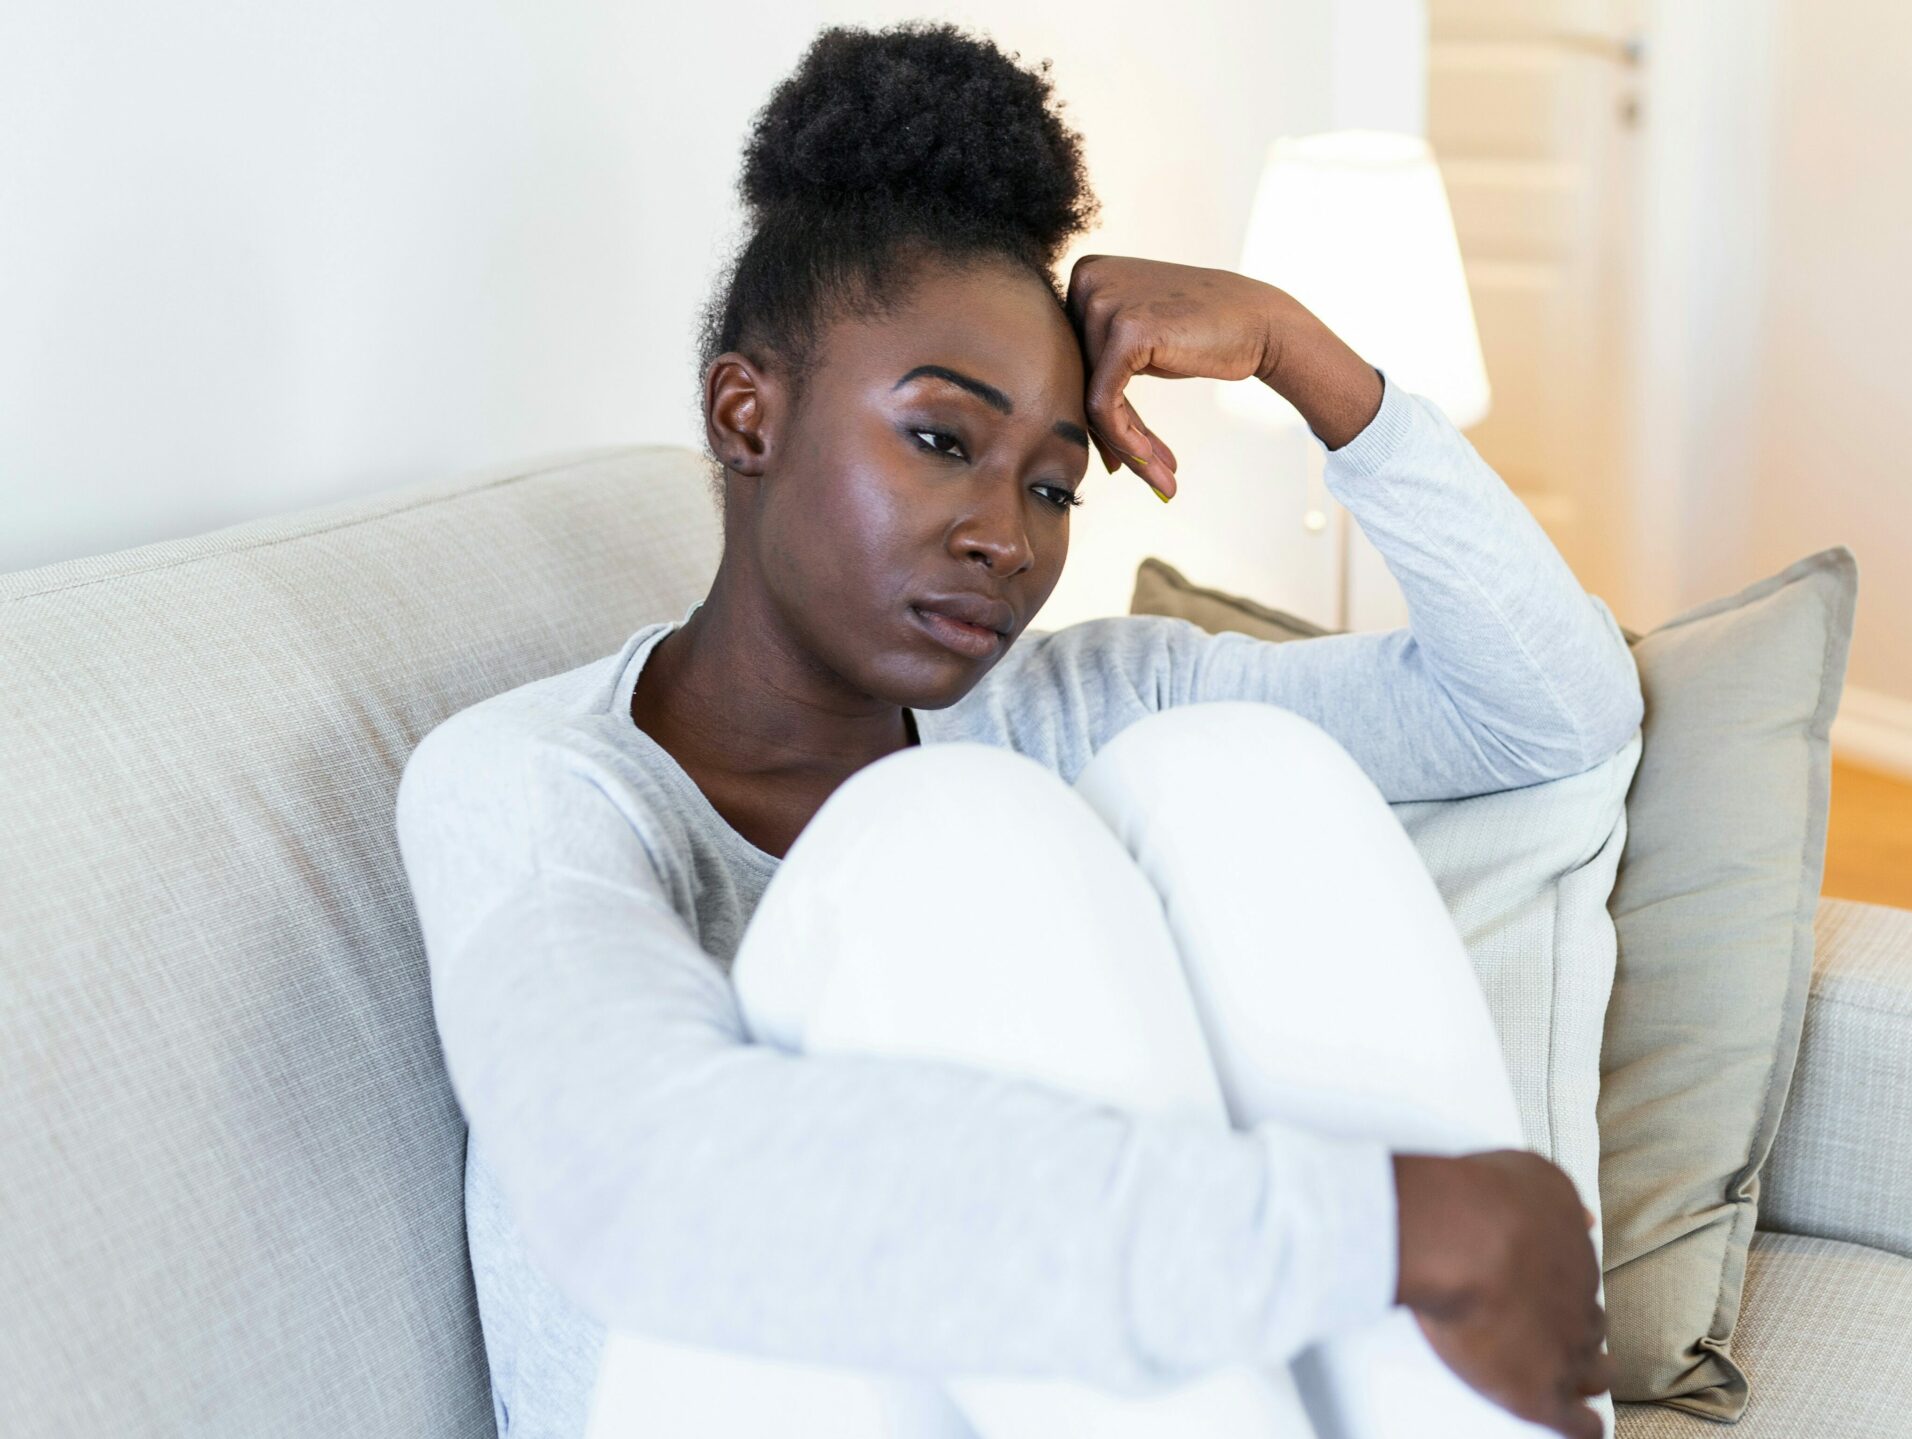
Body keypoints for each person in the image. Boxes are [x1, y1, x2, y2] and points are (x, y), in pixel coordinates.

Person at [394, 21, 1641, 1439]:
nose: (1002, 538)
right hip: (710, 1382)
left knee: (1231, 772)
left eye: (1053, 487)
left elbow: (1552, 716)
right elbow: (646, 1190)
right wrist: (1395, 1224)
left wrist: (1306, 358)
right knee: (945, 827)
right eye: (940, 440)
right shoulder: (526, 782)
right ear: (748, 415)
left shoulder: (1077, 710)